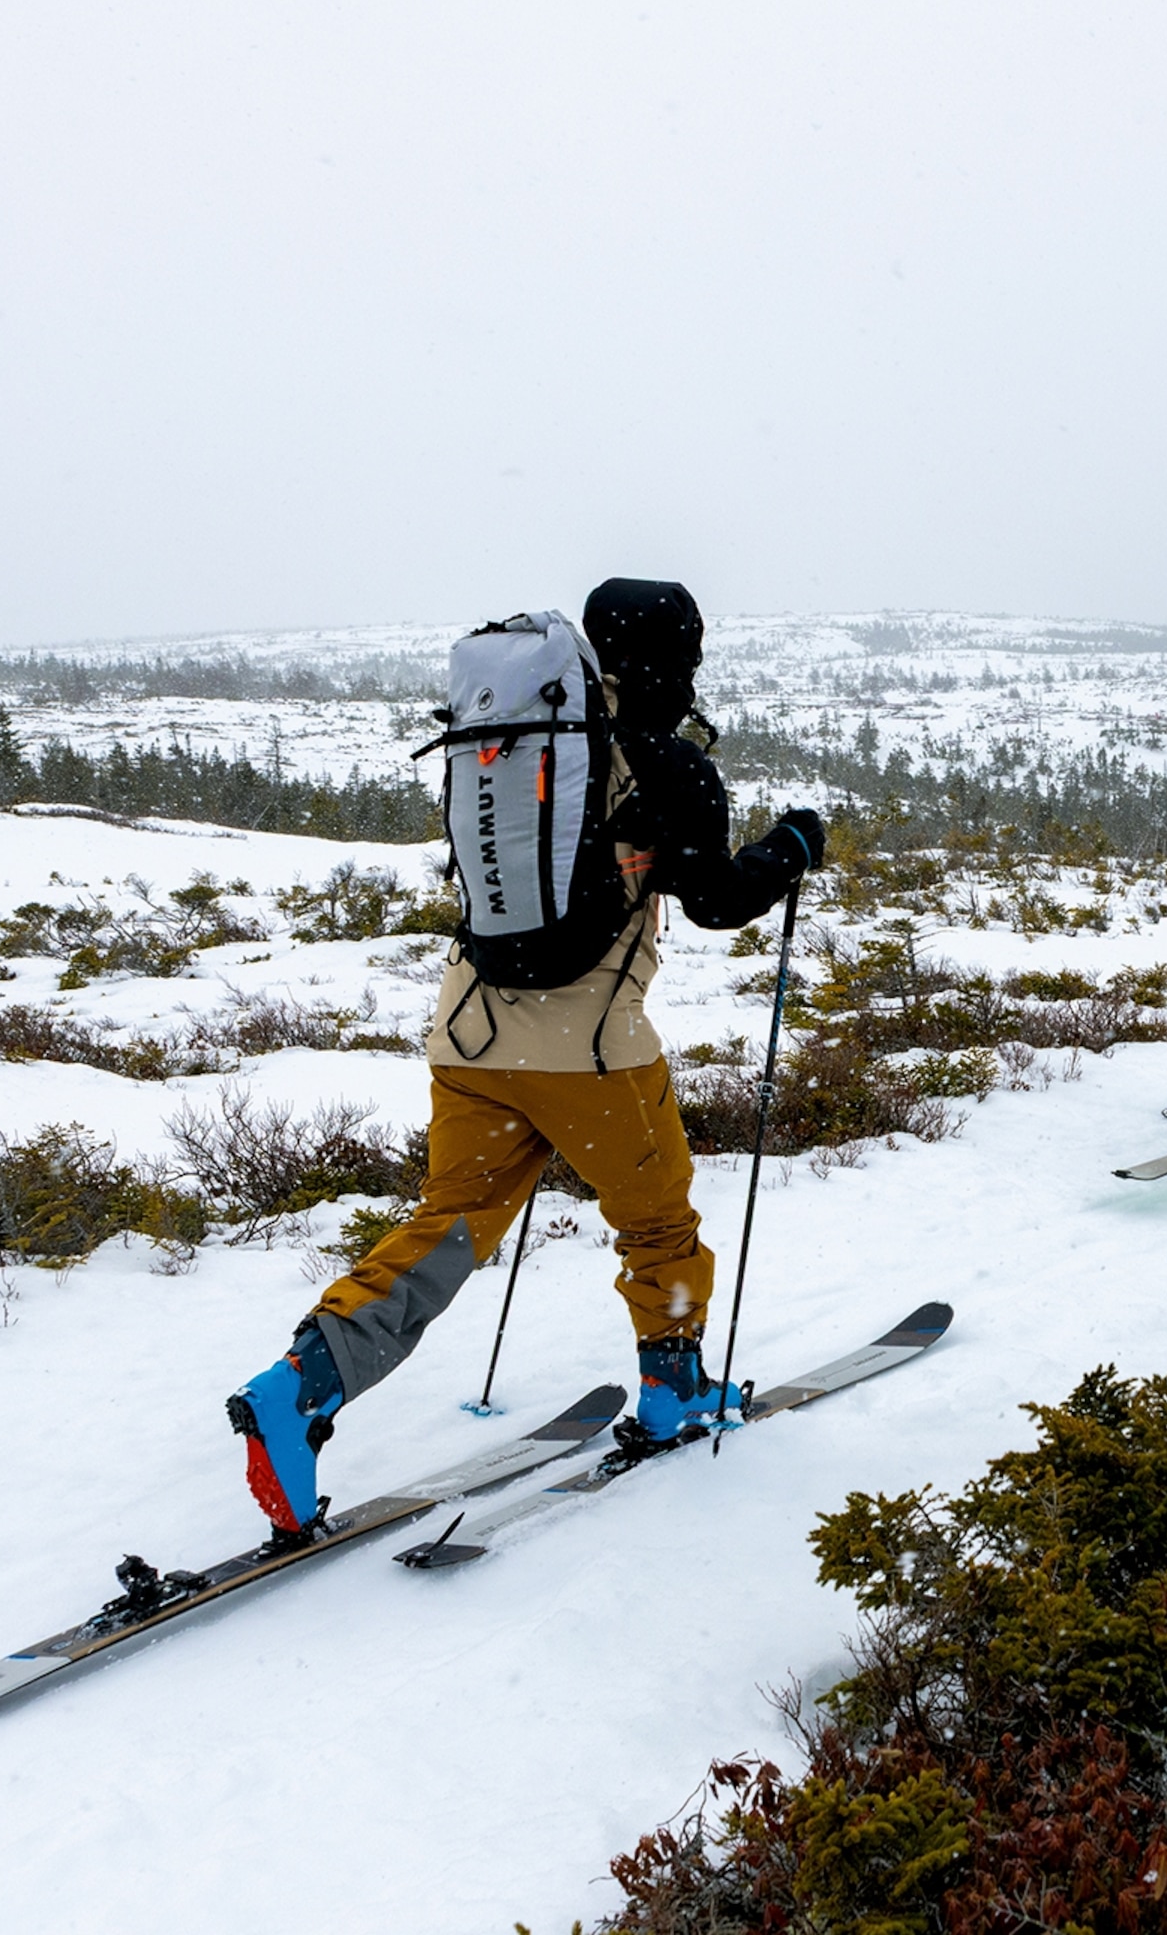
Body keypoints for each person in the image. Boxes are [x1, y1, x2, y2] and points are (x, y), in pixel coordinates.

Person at [226, 579, 825, 1536]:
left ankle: (304, 1380)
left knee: (452, 1223)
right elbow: (715, 899)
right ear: (677, 663)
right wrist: (792, 846)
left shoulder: (512, 743)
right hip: (591, 1054)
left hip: (467, 1038)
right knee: (659, 1223)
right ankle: (673, 1391)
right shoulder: (665, 764)